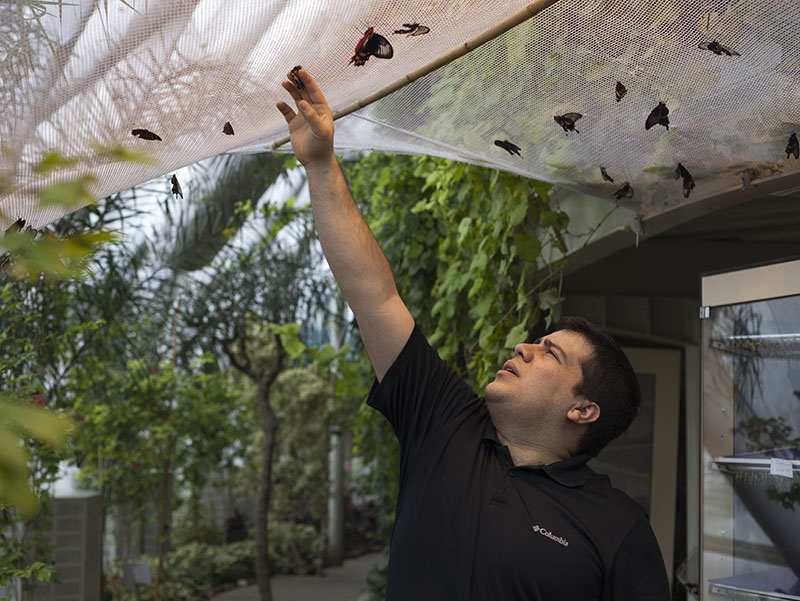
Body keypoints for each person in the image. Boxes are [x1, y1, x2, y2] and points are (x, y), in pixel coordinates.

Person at [277, 69, 670, 601]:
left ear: (583, 409)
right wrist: (321, 164)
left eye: (549, 352)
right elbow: (376, 297)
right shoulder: (442, 424)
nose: (523, 347)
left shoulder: (617, 530)